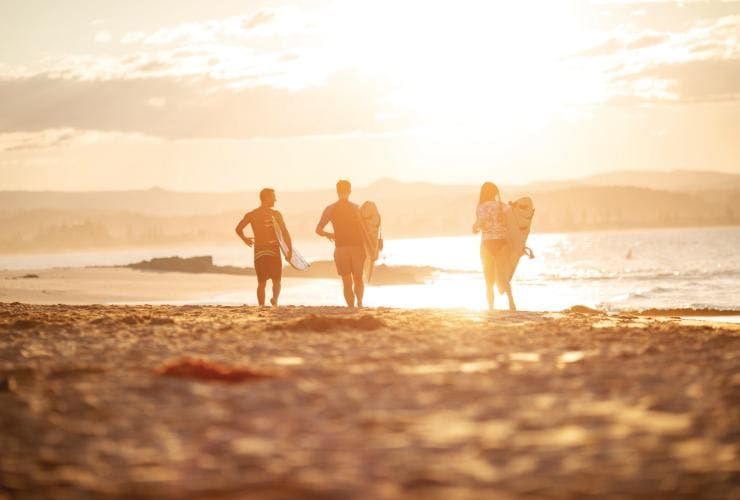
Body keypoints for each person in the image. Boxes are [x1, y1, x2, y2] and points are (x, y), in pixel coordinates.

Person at [235, 188, 292, 307]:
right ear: (266, 198)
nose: (275, 199)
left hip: (259, 251)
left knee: (261, 282)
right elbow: (285, 232)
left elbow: (238, 229)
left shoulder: (252, 214)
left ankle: (261, 306)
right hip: (273, 250)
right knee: (277, 280)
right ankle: (275, 301)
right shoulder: (276, 214)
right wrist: (289, 250)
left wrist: (245, 239)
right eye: (273, 197)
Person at [316, 179, 366, 308]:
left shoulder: (331, 209)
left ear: (337, 191)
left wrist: (330, 235)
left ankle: (351, 307)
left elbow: (318, 230)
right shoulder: (357, 208)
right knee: (358, 278)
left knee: (346, 281)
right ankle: (359, 304)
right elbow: (367, 230)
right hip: (357, 248)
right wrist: (374, 245)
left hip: (341, 248)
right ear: (350, 191)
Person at [473, 182, 516, 311]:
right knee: (504, 276)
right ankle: (511, 303)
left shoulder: (480, 207)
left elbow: (478, 225)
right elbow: (513, 221)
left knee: (488, 279)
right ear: (495, 193)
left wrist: (475, 228)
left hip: (487, 244)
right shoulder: (503, 206)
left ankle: (491, 307)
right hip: (502, 242)